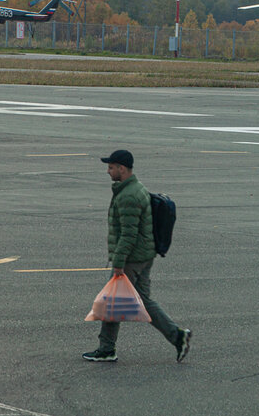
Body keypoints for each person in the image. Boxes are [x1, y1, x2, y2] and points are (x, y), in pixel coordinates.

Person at [83, 149, 192, 363]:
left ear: (122, 169)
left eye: (111, 167)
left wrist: (119, 262)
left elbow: (129, 233)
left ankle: (106, 349)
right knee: (142, 301)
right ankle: (177, 336)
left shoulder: (129, 196)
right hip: (144, 255)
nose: (108, 171)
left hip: (133, 258)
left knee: (112, 303)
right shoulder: (133, 189)